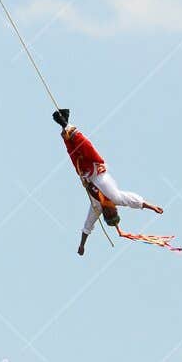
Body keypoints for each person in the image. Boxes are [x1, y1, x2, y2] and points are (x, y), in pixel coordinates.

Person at [52, 109, 164, 256]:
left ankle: (64, 124)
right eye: (113, 211)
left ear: (104, 214)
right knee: (83, 145)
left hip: (84, 172)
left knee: (71, 148)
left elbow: (87, 227)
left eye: (108, 213)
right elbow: (134, 201)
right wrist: (152, 206)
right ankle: (68, 125)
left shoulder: (97, 208)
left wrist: (82, 245)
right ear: (115, 209)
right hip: (94, 164)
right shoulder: (116, 199)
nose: (109, 210)